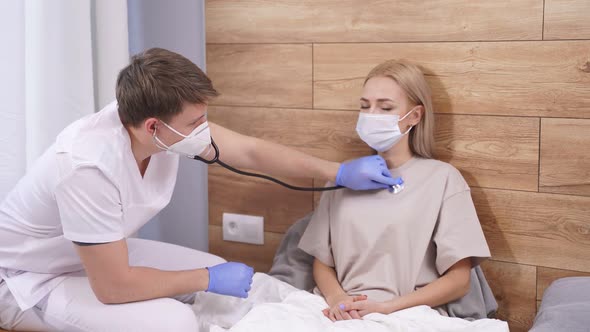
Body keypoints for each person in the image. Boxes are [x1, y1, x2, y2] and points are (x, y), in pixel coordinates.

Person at [0, 48, 399, 331]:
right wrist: (204, 280)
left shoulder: (156, 125)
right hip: (28, 277)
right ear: (154, 126)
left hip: (95, 253)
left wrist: (339, 171)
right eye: (196, 123)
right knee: (174, 321)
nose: (204, 131)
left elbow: (251, 152)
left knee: (226, 282)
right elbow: (113, 287)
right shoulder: (88, 166)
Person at [298, 60, 491, 322]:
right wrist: (338, 300)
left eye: (385, 107)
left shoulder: (442, 180)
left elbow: (459, 281)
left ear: (414, 116)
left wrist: (387, 308)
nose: (371, 115)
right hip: (336, 312)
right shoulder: (343, 176)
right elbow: (322, 261)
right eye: (365, 106)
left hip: (406, 314)